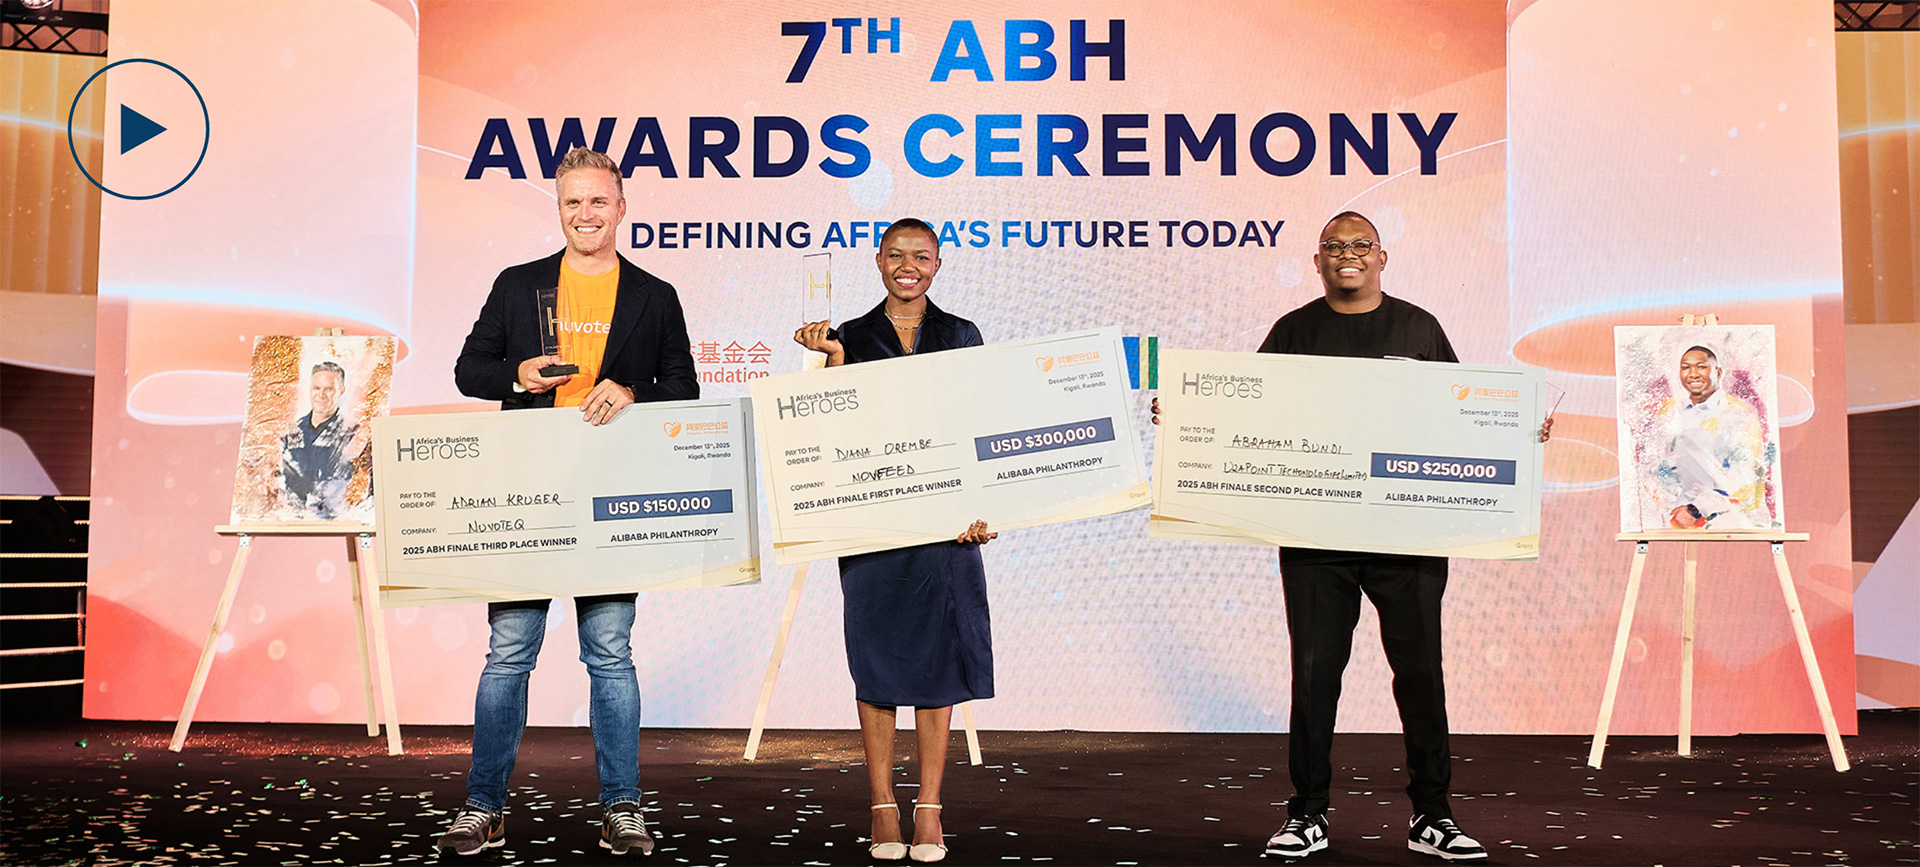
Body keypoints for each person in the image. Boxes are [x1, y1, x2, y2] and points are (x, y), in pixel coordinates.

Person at [1153, 212, 1552, 862]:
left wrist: (1521, 431)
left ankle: (1433, 815)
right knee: (1315, 677)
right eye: (1334, 246)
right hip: (1316, 539)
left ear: (1382, 257)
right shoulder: (1294, 331)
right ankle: (1307, 813)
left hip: (1408, 538)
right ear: (1317, 261)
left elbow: (1466, 417)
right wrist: (1185, 414)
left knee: (1420, 675)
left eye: (1360, 245)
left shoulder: (1419, 328)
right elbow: (1243, 411)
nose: (1348, 255)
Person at [438, 147, 698, 857]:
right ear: (559, 209)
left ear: (621, 207)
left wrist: (635, 391)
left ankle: (623, 808)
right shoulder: (518, 284)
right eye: (572, 202)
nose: (586, 214)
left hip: (611, 494)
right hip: (524, 492)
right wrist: (518, 374)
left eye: (598, 201)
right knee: (508, 653)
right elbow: (468, 370)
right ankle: (483, 806)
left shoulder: (654, 295)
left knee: (610, 652)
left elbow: (685, 385)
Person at [793, 218, 995, 864]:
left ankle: (929, 807)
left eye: (922, 256)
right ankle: (881, 802)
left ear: (938, 264)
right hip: (873, 521)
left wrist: (981, 506)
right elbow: (824, 432)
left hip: (945, 523)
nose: (909, 266)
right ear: (878, 260)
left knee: (939, 662)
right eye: (897, 255)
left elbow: (980, 423)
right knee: (877, 659)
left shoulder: (961, 334)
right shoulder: (847, 336)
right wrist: (829, 363)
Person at [1657, 345, 1769, 529]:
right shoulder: (1672, 413)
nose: (1693, 374)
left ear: (1718, 372)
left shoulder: (1738, 415)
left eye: (1701, 367)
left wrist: (1695, 510)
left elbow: (1744, 477)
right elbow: (1663, 466)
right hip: (1674, 516)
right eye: (1686, 367)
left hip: (1723, 518)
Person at [280, 361, 364, 519]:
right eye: (317, 388)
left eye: (329, 389)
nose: (321, 395)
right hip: (291, 519)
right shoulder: (290, 433)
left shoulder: (353, 434)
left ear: (341, 391)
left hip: (336, 519)